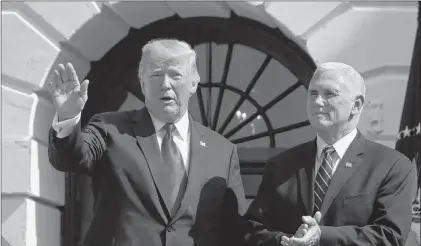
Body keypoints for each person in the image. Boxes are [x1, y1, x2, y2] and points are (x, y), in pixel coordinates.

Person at [48, 39, 246, 246]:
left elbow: (238, 228)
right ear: (142, 83)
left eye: (175, 75)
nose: (165, 84)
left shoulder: (223, 151)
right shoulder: (110, 128)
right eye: (156, 75)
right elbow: (70, 158)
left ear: (193, 83)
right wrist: (68, 118)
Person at [242, 62, 414, 246]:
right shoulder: (281, 165)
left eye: (329, 94)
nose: (317, 101)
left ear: (356, 105)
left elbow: (389, 235)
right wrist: (286, 241)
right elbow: (252, 230)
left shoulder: (391, 166)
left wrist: (321, 236)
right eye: (313, 93)